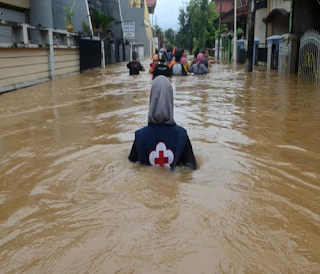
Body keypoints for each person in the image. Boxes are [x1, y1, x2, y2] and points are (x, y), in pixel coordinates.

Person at [128, 76, 197, 170]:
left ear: (151, 99)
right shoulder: (182, 135)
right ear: (170, 100)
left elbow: (131, 166)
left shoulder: (140, 136)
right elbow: (191, 168)